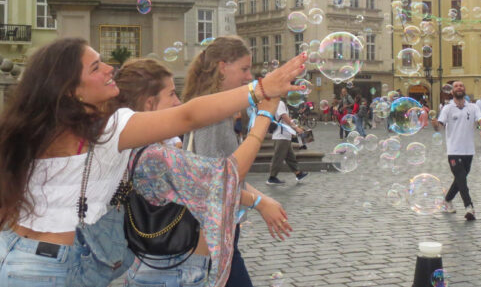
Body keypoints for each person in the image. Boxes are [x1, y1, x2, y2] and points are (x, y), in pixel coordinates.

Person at [0, 37, 306, 286]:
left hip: (17, 250)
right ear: (72, 90)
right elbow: (189, 116)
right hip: (45, 265)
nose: (110, 68)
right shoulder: (108, 128)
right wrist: (261, 92)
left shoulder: (33, 125)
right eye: (96, 67)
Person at [432, 81, 481, 221]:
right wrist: (435, 124)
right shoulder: (447, 108)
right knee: (461, 178)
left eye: (461, 86)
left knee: (460, 179)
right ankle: (469, 207)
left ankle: (447, 201)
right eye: (456, 86)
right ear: (452, 91)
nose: (459, 88)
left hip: (469, 150)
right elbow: (439, 127)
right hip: (454, 150)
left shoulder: (473, 107)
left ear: (464, 89)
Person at [267, 97, 310, 186]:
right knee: (278, 157)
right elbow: (284, 117)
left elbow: (287, 119)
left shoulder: (282, 103)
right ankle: (272, 178)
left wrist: (295, 128)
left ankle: (298, 174)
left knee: (290, 157)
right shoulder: (280, 103)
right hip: (281, 136)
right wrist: (296, 128)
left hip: (285, 136)